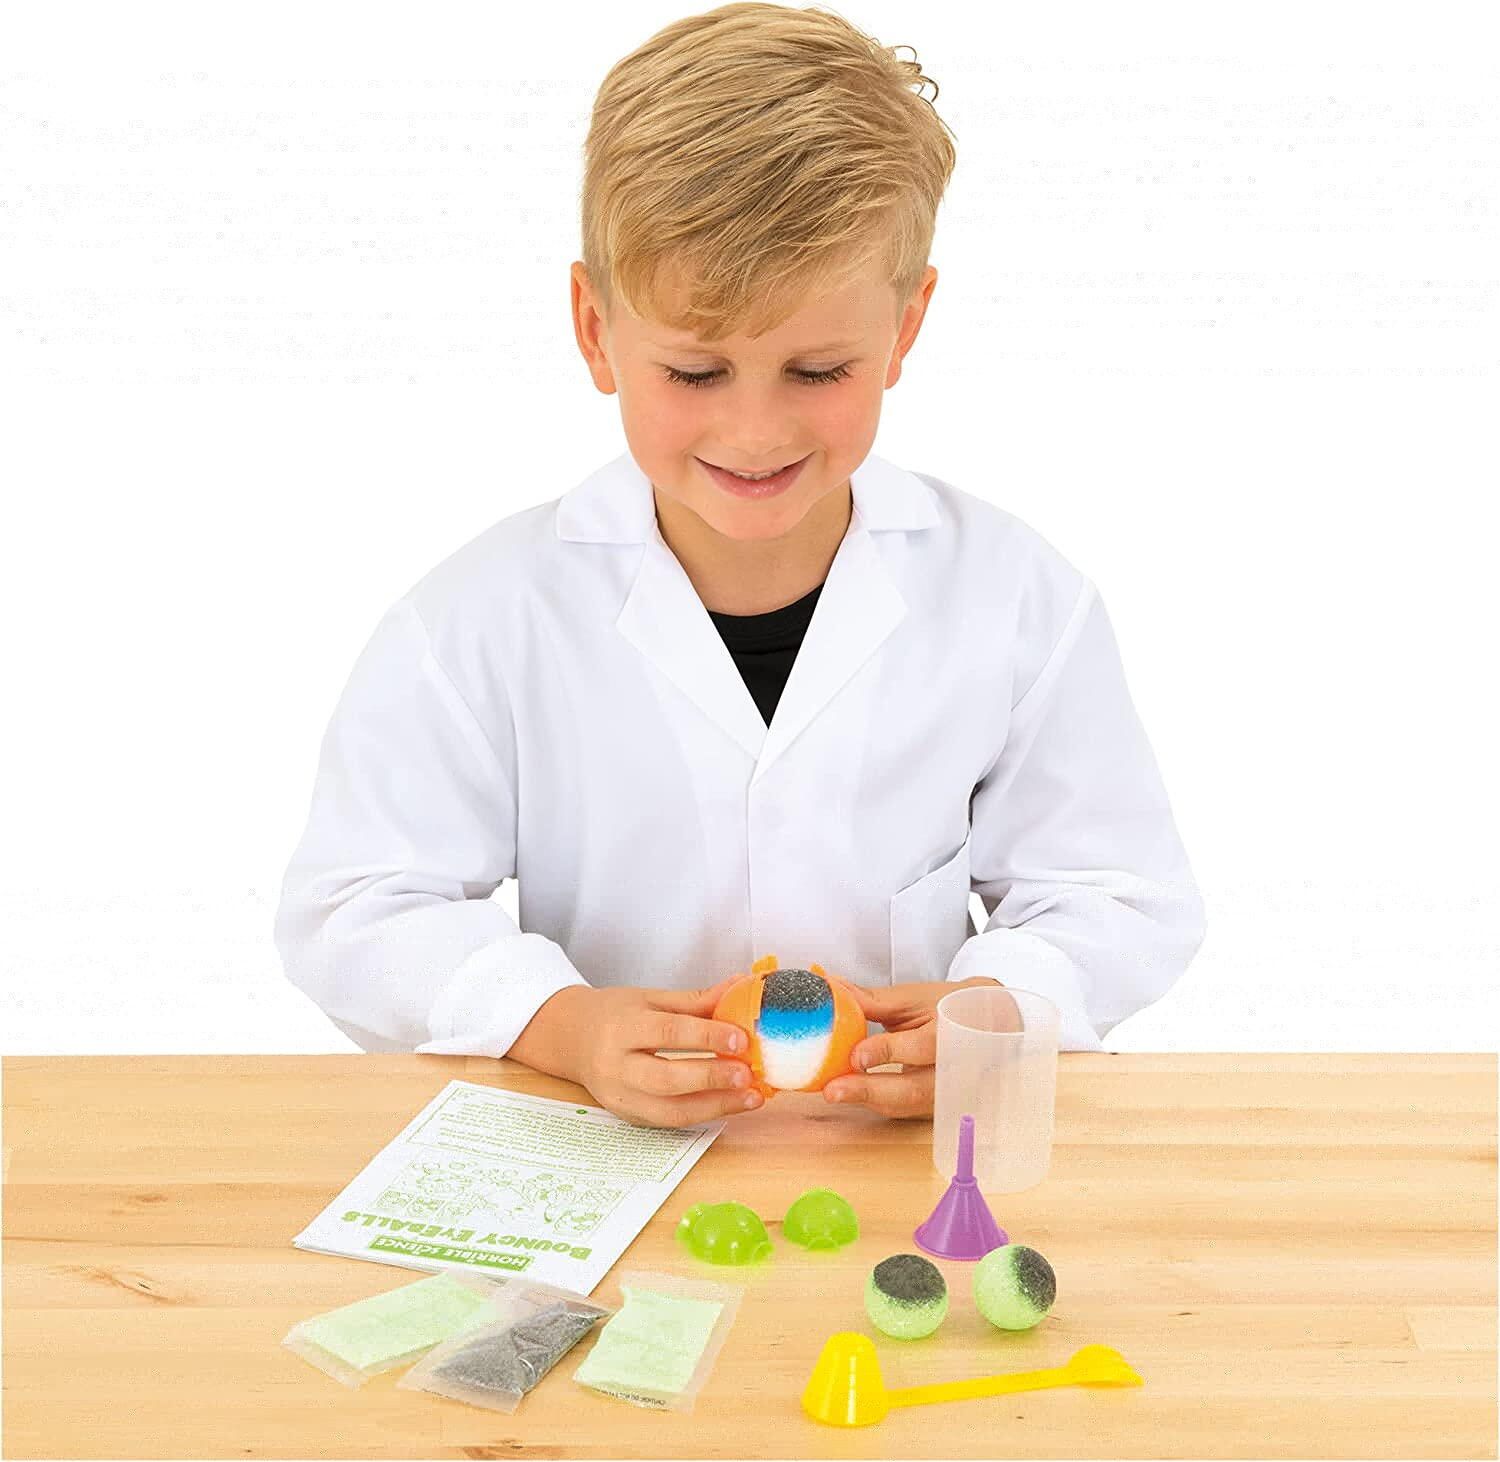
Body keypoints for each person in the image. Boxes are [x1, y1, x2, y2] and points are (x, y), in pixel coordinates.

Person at [274, 4, 1207, 1129]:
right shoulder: (479, 618)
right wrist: (562, 1027)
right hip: (603, 1160)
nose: (756, 433)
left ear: (906, 327)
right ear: (594, 328)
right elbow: (358, 904)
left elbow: (1113, 891)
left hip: (903, 1159)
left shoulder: (1016, 600)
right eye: (696, 371)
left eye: (818, 371)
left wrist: (1000, 1008)